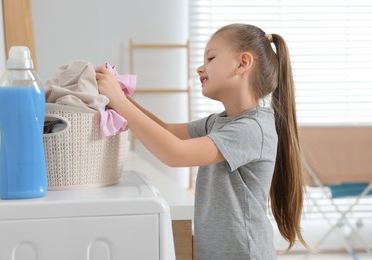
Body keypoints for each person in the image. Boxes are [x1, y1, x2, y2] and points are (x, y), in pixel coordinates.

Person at [96, 23, 309, 260]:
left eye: (210, 58)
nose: (200, 68)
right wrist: (121, 98)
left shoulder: (252, 129)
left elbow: (176, 153)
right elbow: (167, 131)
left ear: (243, 63)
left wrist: (120, 102)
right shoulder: (220, 122)